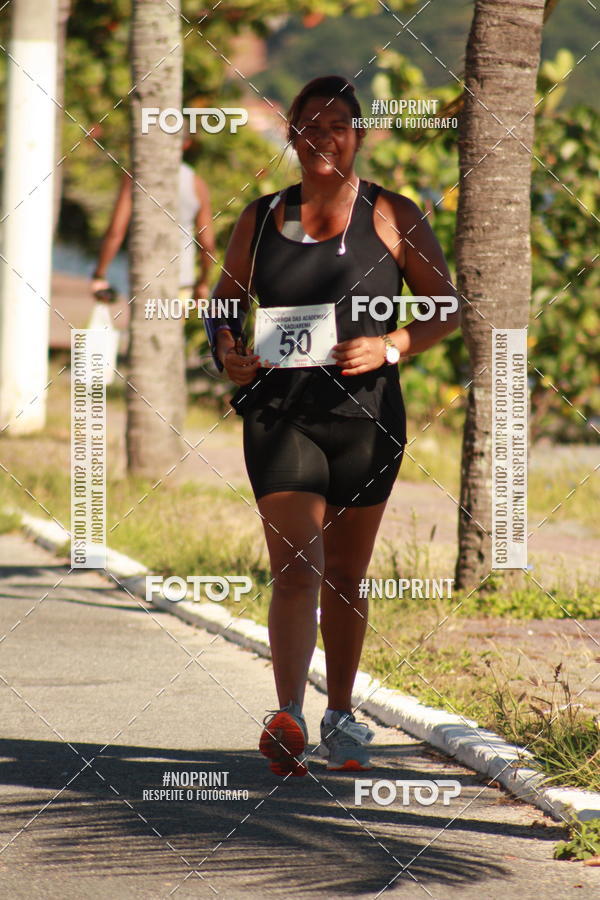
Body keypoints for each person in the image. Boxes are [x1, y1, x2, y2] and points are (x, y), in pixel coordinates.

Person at [206, 76, 460, 776]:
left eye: (337, 125)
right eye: (308, 125)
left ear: (359, 134)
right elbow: (224, 305)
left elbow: (446, 305)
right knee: (297, 567)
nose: (321, 137)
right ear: (289, 134)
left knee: (346, 575)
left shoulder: (391, 214)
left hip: (368, 419)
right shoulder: (259, 218)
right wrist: (226, 350)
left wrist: (393, 345)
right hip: (280, 415)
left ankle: (341, 717)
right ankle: (288, 714)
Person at [91, 132, 215, 302]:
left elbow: (116, 231)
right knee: (172, 328)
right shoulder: (197, 183)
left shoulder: (138, 175)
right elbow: (207, 244)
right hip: (182, 278)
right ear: (186, 144)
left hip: (145, 273)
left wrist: (100, 273)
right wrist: (203, 282)